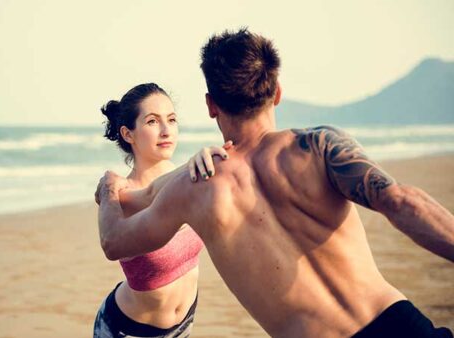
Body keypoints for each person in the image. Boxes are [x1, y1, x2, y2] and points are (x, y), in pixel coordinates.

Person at [96, 29, 454, 337]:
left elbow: (114, 241)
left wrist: (110, 190)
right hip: (398, 323)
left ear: (211, 105)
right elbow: (403, 203)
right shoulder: (319, 146)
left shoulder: (196, 187)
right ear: (277, 91)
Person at [93, 82, 230, 338]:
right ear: (128, 134)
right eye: (153, 122)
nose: (167, 131)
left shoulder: (190, 177)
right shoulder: (122, 197)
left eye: (172, 119)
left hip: (185, 324)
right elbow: (152, 196)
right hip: (127, 330)